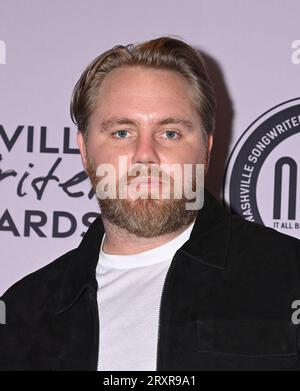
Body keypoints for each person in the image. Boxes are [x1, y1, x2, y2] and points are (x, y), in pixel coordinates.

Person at [1, 36, 300, 371]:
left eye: (169, 133)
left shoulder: (290, 278)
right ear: (85, 150)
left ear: (206, 148)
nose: (145, 155)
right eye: (122, 133)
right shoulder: (22, 313)